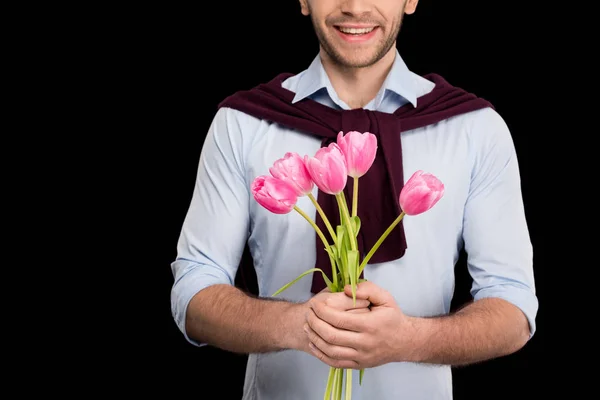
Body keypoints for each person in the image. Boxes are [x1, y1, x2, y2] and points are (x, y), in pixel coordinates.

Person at [170, 0, 538, 399]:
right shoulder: (242, 123)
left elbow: (513, 308)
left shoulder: (476, 130)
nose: (355, 6)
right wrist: (296, 326)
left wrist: (408, 340)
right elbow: (194, 288)